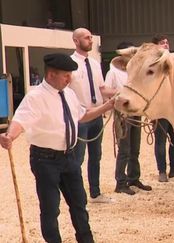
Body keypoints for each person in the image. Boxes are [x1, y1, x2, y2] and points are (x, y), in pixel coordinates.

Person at [0, 53, 115, 243]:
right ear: (51, 75)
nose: (70, 79)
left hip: (70, 157)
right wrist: (10, 136)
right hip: (45, 159)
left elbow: (82, 115)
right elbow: (20, 120)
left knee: (79, 203)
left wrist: (108, 106)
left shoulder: (69, 93)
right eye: (66, 75)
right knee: (51, 208)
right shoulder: (35, 97)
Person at [69, 28, 117, 203]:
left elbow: (103, 89)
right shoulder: (70, 64)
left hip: (97, 114)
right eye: (87, 38)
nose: (90, 40)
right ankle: (75, 194)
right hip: (80, 118)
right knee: (78, 157)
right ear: (76, 41)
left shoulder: (95, 64)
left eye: (91, 37)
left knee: (96, 156)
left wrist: (120, 93)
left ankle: (95, 193)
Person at [105, 41, 152, 195]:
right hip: (122, 113)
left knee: (135, 149)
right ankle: (120, 182)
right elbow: (105, 90)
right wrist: (121, 95)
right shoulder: (113, 72)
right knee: (124, 149)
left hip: (136, 112)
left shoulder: (135, 72)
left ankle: (134, 178)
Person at [151, 34, 174, 182]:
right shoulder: (152, 63)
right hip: (159, 108)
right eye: (162, 42)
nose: (166, 44)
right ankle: (162, 171)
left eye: (167, 42)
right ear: (156, 46)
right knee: (160, 140)